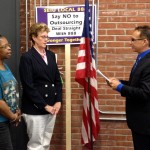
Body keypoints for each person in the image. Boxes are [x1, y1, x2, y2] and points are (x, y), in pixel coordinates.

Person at [19, 23, 62, 150]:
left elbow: (57, 80)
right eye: (43, 37)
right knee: (36, 145)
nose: (46, 39)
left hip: (52, 107)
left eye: (47, 37)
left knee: (46, 143)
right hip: (35, 108)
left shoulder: (50, 55)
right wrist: (44, 106)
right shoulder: (27, 57)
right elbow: (28, 86)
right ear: (34, 37)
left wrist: (58, 101)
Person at [107, 25, 150, 150]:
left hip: (145, 123)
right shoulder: (141, 58)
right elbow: (137, 84)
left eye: (133, 40)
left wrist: (120, 87)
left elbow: (144, 93)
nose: (130, 43)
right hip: (139, 122)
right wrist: (120, 82)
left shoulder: (148, 62)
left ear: (144, 41)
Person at [0, 34, 21, 150]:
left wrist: (16, 110)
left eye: (9, 45)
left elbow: (11, 91)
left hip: (7, 120)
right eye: (5, 46)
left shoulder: (5, 67)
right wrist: (13, 116)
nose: (9, 48)